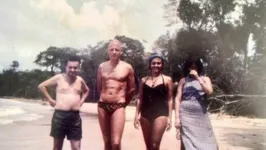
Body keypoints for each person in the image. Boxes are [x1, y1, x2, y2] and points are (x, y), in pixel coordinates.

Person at [38, 56, 90, 150]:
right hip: (59, 117)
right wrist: (50, 99)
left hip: (75, 118)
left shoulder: (80, 80)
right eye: (70, 67)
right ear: (66, 67)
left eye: (75, 67)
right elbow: (42, 86)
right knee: (57, 148)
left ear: (79, 68)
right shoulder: (59, 78)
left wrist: (82, 101)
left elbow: (87, 90)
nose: (72, 70)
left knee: (76, 148)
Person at [97, 39, 135, 150]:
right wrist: (105, 98)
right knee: (107, 142)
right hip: (102, 105)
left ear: (121, 52)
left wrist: (123, 104)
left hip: (118, 105)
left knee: (116, 143)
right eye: (111, 49)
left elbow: (132, 89)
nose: (114, 52)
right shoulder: (101, 67)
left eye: (117, 50)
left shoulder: (127, 67)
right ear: (108, 51)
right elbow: (99, 87)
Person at [174, 56, 218, 150]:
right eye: (191, 67)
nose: (192, 69)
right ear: (187, 68)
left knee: (208, 140)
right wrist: (177, 118)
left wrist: (198, 78)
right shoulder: (183, 80)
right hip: (185, 114)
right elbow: (177, 99)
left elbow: (209, 92)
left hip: (201, 115)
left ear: (199, 67)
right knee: (187, 141)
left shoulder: (205, 79)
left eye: (195, 67)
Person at [134, 53, 173, 150]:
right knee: (148, 146)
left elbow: (170, 99)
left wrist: (170, 118)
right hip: (145, 114)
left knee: (155, 145)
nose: (156, 65)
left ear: (162, 65)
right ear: (150, 65)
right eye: (153, 63)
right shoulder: (144, 80)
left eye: (158, 63)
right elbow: (140, 98)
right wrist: (136, 115)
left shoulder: (167, 80)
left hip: (161, 114)